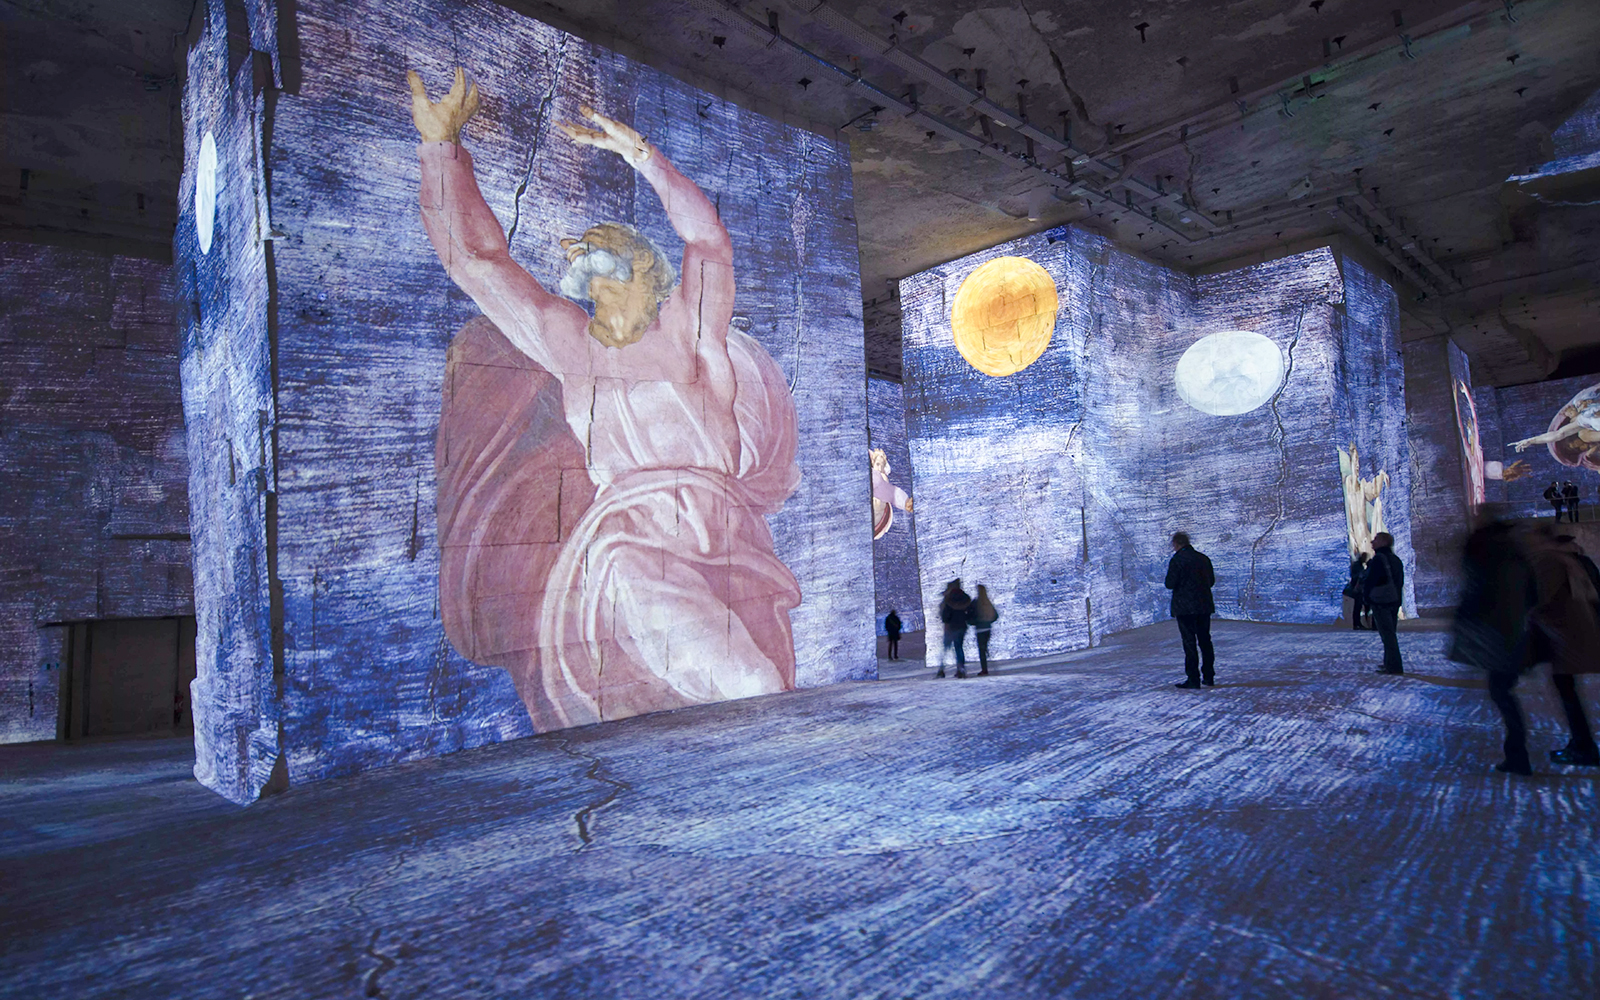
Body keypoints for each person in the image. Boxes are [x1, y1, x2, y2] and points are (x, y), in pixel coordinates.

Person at [410, 69, 803, 729]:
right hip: (631, 550)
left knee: (748, 696)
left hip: (728, 544)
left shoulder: (688, 330)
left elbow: (707, 240)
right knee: (747, 682)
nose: (591, 256)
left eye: (611, 252)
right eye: (588, 254)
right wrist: (440, 149)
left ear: (649, 271)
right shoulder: (571, 347)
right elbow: (478, 263)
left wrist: (644, 157)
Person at [1448, 520, 1537, 774]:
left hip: (1497, 637)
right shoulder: (1517, 560)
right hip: (1512, 634)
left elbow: (1474, 600)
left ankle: (1518, 756)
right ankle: (1517, 754)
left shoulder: (1491, 564)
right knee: (1503, 692)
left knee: (1502, 694)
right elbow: (1533, 597)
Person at [1529, 532, 1600, 766]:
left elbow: (1541, 599)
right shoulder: (1578, 560)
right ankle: (1581, 743)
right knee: (1567, 688)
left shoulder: (1552, 561)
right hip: (1581, 631)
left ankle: (1583, 746)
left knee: (1566, 690)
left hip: (1566, 635)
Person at [1165, 532, 1216, 688]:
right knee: (1205, 641)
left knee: (1189, 643)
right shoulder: (1203, 558)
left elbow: (1170, 583)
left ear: (1176, 544)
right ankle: (1209, 676)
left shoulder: (1177, 560)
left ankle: (1193, 679)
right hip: (1203, 606)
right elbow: (1211, 581)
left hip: (1184, 608)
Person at [1363, 532, 1405, 675]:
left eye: (1375, 540)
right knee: (1390, 633)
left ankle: (1394, 666)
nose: (1372, 542)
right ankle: (1390, 663)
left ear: (1383, 542)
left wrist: (1367, 598)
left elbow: (1370, 581)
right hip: (1394, 600)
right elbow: (1400, 582)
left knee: (1387, 635)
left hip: (1381, 601)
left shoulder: (1378, 560)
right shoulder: (1395, 559)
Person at [936, 580, 972, 679]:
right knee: (959, 648)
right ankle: (961, 669)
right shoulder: (965, 598)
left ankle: (941, 670)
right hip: (962, 626)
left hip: (950, 627)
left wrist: (946, 620)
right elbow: (970, 613)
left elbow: (945, 615)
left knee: (945, 648)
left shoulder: (949, 599)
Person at [969, 585, 999, 676]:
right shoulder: (988, 602)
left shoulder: (975, 602)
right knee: (984, 648)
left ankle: (984, 669)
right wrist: (988, 621)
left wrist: (975, 622)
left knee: (981, 650)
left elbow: (970, 616)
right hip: (988, 628)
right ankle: (986, 666)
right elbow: (996, 616)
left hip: (980, 629)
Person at [1344, 553, 1369, 630]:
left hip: (1357, 588)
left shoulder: (1357, 565)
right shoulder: (1358, 566)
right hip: (1357, 589)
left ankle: (1357, 623)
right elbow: (1358, 576)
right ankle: (1357, 623)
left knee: (1358, 606)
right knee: (1358, 606)